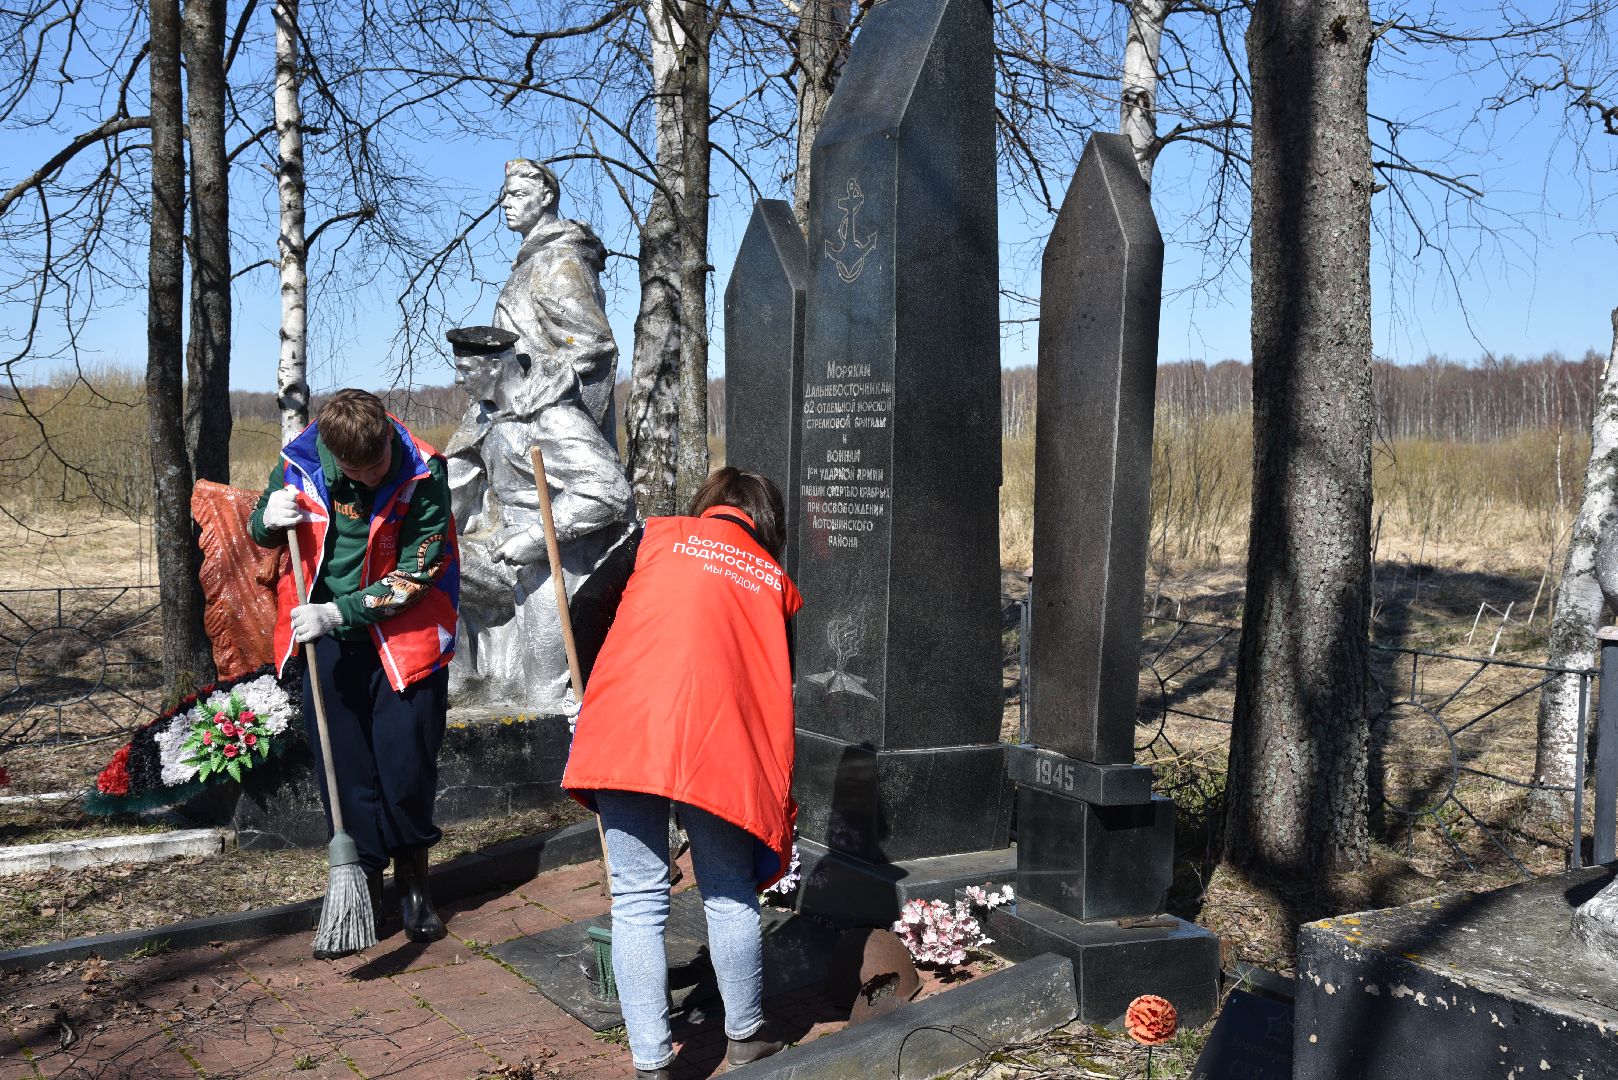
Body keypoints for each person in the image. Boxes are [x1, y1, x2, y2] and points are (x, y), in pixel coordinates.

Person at [562, 468, 803, 1079]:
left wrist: (596, 684)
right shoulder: (772, 580)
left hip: (631, 723)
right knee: (727, 889)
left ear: (707, 506)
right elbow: (781, 680)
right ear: (765, 523)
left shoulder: (652, 535)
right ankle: (745, 1034)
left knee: (638, 900)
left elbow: (586, 603)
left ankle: (651, 1062)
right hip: (720, 742)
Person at [248, 389, 459, 957]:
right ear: (333, 452)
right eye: (355, 470)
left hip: (405, 633)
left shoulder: (425, 472)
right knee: (343, 766)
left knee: (406, 759)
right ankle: (361, 884)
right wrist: (266, 520)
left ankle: (413, 878)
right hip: (325, 639)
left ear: (389, 438)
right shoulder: (300, 462)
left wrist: (341, 610)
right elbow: (261, 529)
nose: (368, 479)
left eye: (377, 466)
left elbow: (418, 570)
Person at [443, 324, 634, 711]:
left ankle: (556, 746)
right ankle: (456, 688)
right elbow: (454, 485)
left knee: (546, 690)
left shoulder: (553, 417)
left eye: (466, 369)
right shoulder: (482, 418)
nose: (458, 379)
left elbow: (609, 490)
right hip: (508, 547)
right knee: (437, 564)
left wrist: (534, 537)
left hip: (565, 553)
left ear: (495, 367)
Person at [493, 158, 619, 448]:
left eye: (518, 194)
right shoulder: (535, 262)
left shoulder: (557, 259)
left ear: (546, 197)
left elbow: (593, 344)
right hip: (527, 429)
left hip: (549, 436)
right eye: (505, 194)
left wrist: (532, 397)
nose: (505, 203)